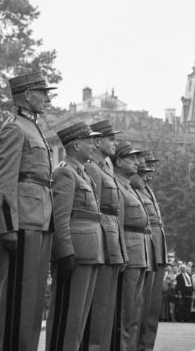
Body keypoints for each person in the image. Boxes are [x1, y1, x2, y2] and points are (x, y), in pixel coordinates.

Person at [0, 71, 57, 351]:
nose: (47, 98)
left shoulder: (33, 127)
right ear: (28, 94)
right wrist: (7, 226)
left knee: (32, 301)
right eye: (43, 93)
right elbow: (4, 181)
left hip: (39, 220)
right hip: (22, 224)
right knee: (17, 300)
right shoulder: (14, 128)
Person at [47, 122, 104, 351]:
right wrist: (65, 252)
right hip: (75, 254)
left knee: (78, 319)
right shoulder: (65, 172)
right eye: (90, 141)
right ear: (76, 144)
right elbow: (60, 218)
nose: (94, 145)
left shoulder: (83, 174)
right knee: (67, 317)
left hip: (89, 253)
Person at [84, 120, 127, 351]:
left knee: (106, 310)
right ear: (97, 141)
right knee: (98, 308)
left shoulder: (106, 168)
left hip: (112, 241)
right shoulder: (93, 168)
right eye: (111, 139)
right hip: (101, 241)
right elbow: (96, 211)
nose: (115, 143)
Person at [112, 141, 151, 349]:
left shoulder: (130, 187)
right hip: (129, 252)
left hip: (139, 253)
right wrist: (122, 253)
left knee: (135, 311)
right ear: (118, 161)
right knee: (125, 311)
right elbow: (118, 223)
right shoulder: (117, 186)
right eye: (131, 158)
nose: (137, 162)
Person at [135, 149, 169, 351]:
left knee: (153, 308)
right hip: (147, 250)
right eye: (148, 165)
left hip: (157, 251)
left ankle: (147, 346)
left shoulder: (147, 189)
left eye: (153, 165)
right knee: (142, 307)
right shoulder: (135, 189)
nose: (152, 170)